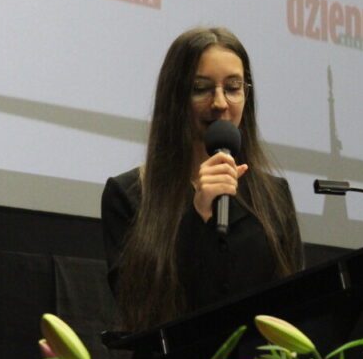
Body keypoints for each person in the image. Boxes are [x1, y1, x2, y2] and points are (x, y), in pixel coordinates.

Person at [101, 27, 303, 333]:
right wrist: (197, 217)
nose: (220, 102)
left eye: (233, 88)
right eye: (201, 88)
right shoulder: (128, 193)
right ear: (175, 96)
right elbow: (137, 310)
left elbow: (294, 306)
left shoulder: (274, 195)